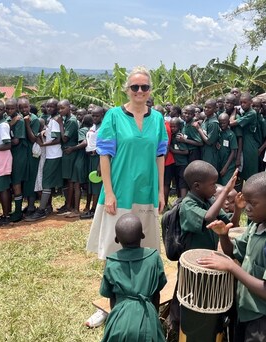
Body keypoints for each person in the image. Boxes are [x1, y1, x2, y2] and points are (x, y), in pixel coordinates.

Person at [85, 66, 168, 327]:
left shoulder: (157, 119)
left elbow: (160, 156)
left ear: (150, 90)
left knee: (147, 248)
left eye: (144, 87)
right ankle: (110, 307)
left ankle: (143, 303)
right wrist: (109, 192)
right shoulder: (113, 116)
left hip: (147, 191)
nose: (140, 91)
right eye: (135, 87)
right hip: (119, 191)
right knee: (114, 250)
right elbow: (104, 156)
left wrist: (161, 189)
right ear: (127, 89)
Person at [198, 171, 266, 342]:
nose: (247, 208)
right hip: (245, 312)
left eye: (253, 203)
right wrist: (223, 235)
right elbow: (232, 251)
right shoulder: (256, 226)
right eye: (246, 202)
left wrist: (232, 267)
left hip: (265, 321)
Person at [169, 160, 237, 332]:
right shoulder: (189, 205)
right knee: (184, 294)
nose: (215, 189)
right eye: (213, 185)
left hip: (206, 260)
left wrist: (239, 209)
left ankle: (198, 327)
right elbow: (208, 217)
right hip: (191, 263)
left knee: (202, 296)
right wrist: (226, 190)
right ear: (197, 186)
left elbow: (231, 225)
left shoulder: (207, 201)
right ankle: (176, 327)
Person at [93, 213, 168, 342]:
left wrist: (116, 318)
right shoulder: (153, 257)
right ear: (142, 235)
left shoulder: (112, 262)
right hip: (148, 315)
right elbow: (156, 293)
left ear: (116, 239)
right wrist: (154, 317)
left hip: (119, 320)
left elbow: (111, 297)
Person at [24, 105, 64, 221]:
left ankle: (41, 210)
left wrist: (43, 144)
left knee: (46, 183)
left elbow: (57, 139)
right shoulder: (51, 120)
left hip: (54, 154)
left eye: (52, 107)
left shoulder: (56, 121)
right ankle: (47, 207)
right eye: (48, 106)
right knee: (46, 182)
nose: (49, 108)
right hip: (50, 154)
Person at [20, 97, 43, 215]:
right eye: (21, 107)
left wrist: (27, 124)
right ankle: (28, 203)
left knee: (32, 179)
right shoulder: (18, 118)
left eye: (26, 107)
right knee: (25, 179)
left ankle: (31, 205)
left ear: (29, 107)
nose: (24, 109)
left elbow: (33, 138)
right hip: (23, 153)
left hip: (32, 153)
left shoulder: (34, 120)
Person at [57, 99, 81, 218]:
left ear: (68, 108)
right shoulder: (67, 119)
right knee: (68, 180)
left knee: (71, 180)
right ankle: (68, 204)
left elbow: (65, 138)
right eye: (59, 109)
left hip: (70, 152)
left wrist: (60, 124)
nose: (60, 111)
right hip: (67, 152)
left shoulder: (71, 121)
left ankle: (70, 206)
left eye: (62, 108)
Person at [230, 93, 259, 181]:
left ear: (251, 102)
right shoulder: (245, 112)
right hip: (244, 141)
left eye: (245, 102)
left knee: (250, 172)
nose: (242, 105)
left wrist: (234, 111)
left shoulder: (251, 113)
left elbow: (231, 122)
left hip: (249, 143)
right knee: (242, 172)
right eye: (241, 102)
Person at [81, 106, 103, 219]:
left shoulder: (103, 128)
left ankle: (95, 210)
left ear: (102, 116)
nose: (94, 117)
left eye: (97, 115)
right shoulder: (93, 126)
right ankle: (91, 207)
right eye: (93, 115)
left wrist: (100, 163)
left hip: (98, 158)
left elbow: (105, 146)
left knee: (97, 184)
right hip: (90, 158)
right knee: (91, 183)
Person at [195, 99, 220, 171]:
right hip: (204, 150)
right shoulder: (206, 118)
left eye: (209, 108)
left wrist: (199, 129)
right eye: (205, 107)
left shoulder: (213, 123)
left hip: (210, 153)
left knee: (208, 172)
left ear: (215, 109)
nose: (206, 109)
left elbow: (209, 141)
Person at [167, 117, 189, 199]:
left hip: (182, 163)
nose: (172, 128)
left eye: (174, 127)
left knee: (182, 183)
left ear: (179, 126)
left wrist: (173, 151)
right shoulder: (172, 135)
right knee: (177, 182)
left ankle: (183, 201)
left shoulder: (179, 136)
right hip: (176, 163)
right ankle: (179, 199)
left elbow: (186, 151)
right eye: (171, 126)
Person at [217, 112, 238, 186]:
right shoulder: (218, 133)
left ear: (228, 122)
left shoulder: (230, 135)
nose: (222, 125)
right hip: (219, 162)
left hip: (228, 165)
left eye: (224, 123)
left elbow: (233, 151)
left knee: (226, 185)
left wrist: (225, 168)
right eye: (220, 123)